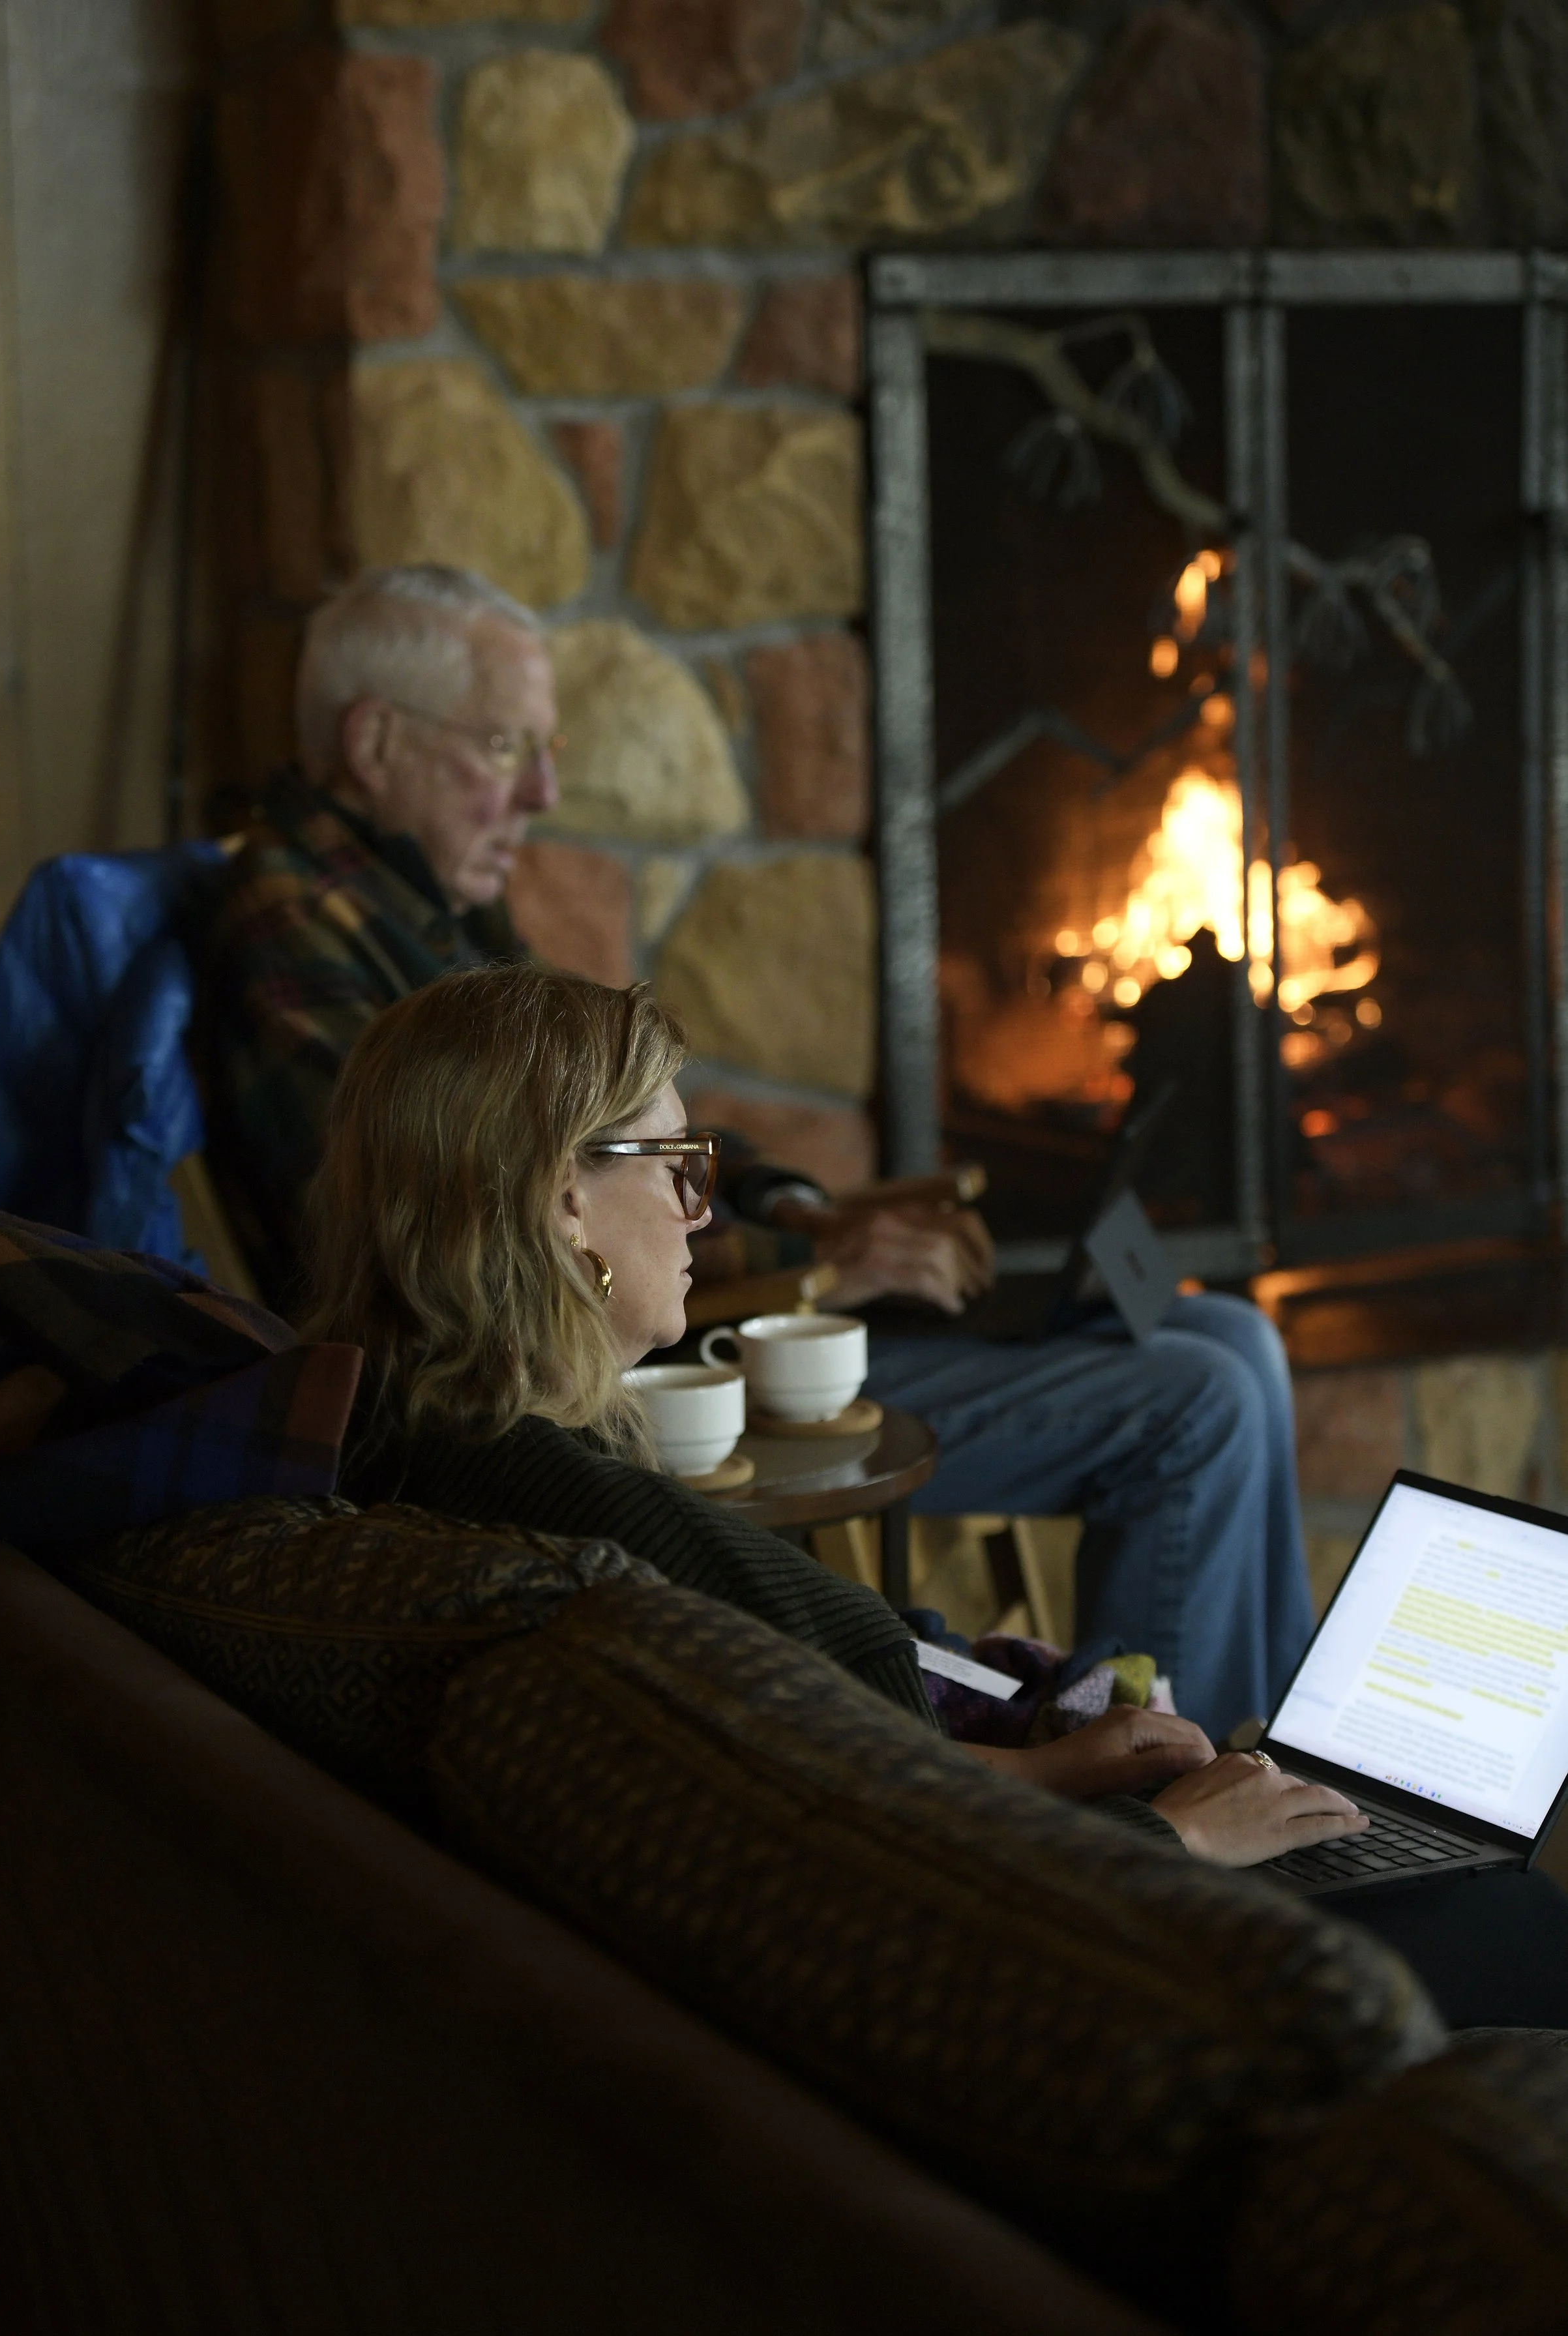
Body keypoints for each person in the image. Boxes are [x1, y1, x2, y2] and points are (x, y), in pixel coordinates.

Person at [303, 965, 1568, 2031]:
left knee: (1225, 1353)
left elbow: (815, 1763)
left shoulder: (418, 1443)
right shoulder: (599, 1539)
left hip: (1028, 1819)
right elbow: (865, 1862)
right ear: (562, 1199)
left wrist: (1062, 1762)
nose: (700, 1214)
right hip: (1080, 1935)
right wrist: (1174, 1840)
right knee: (1519, 1920)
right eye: (677, 1166)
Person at [200, 562, 1309, 1741]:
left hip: (662, 1304)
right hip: (632, 1354)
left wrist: (801, 1208)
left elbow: (615, 1124)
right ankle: (1194, 1772)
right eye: (503, 744)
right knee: (1201, 1401)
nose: (543, 789)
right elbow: (466, 1216)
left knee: (1233, 1334)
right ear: (375, 741)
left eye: (544, 747)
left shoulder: (424, 900)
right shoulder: (297, 937)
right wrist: (815, 1266)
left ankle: (1282, 1763)